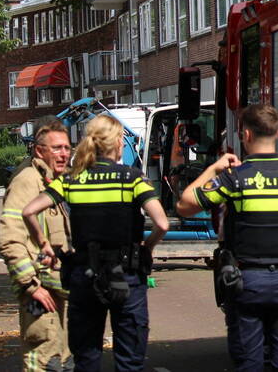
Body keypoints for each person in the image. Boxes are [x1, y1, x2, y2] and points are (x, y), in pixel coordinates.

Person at [176, 103, 278, 372]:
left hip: (248, 283)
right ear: (277, 133)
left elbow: (185, 204)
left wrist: (214, 168)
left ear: (245, 135)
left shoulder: (235, 179)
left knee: (250, 362)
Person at [22, 115, 169, 372]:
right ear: (116, 142)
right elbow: (162, 223)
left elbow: (29, 211)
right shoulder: (132, 178)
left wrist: (43, 243)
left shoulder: (71, 179)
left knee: (86, 357)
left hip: (84, 275)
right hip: (126, 275)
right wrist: (148, 247)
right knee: (129, 357)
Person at [0, 117, 73, 371]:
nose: (64, 154)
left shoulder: (55, 181)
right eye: (57, 148)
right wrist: (31, 286)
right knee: (44, 363)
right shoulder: (28, 181)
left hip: (60, 293)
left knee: (64, 362)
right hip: (41, 294)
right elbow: (10, 238)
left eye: (66, 147)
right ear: (39, 151)